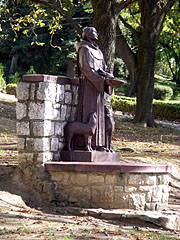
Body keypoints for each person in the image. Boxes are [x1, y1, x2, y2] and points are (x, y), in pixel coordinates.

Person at [76, 27, 114, 151]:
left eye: (97, 31)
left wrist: (108, 75)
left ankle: (99, 144)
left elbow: (103, 68)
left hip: (98, 87)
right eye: (93, 32)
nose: (96, 33)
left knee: (100, 114)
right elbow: (86, 68)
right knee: (90, 112)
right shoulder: (84, 49)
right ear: (86, 35)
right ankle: (86, 144)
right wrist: (101, 80)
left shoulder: (98, 50)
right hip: (89, 85)